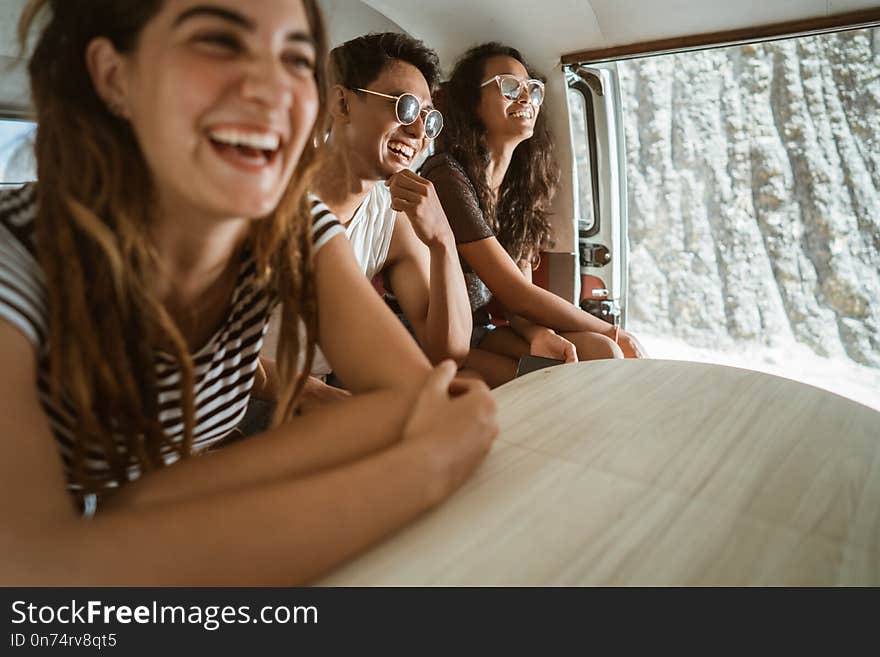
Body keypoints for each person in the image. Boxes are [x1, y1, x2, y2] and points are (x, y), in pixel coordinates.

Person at [0, 0, 497, 586]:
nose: (273, 90)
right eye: (218, 43)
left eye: (294, 60)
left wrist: (138, 510)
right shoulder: (18, 255)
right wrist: (426, 467)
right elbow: (36, 579)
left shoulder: (293, 223)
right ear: (116, 76)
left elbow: (419, 398)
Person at [421, 43, 647, 387]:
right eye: (509, 86)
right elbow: (514, 293)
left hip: (476, 332)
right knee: (551, 378)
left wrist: (540, 333)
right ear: (471, 101)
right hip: (422, 332)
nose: (526, 98)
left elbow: (520, 302)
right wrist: (616, 331)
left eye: (533, 89)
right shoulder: (446, 176)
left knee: (600, 352)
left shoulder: (518, 189)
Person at [298, 32, 471, 382]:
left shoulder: (391, 219)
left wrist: (442, 241)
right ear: (343, 104)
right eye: (405, 106)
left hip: (310, 399)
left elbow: (449, 352)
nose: (419, 131)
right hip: (227, 399)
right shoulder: (268, 190)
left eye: (429, 118)